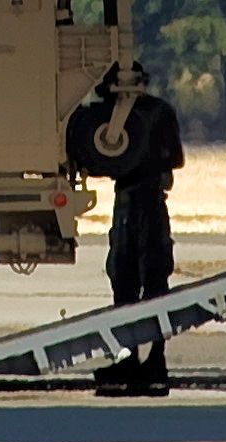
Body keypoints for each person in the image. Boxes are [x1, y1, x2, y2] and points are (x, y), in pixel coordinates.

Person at [62, 61, 186, 396]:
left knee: (141, 280)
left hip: (141, 200)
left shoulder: (152, 113)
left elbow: (172, 158)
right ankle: (136, 358)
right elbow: (175, 158)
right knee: (132, 279)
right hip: (135, 199)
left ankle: (150, 359)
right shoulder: (159, 111)